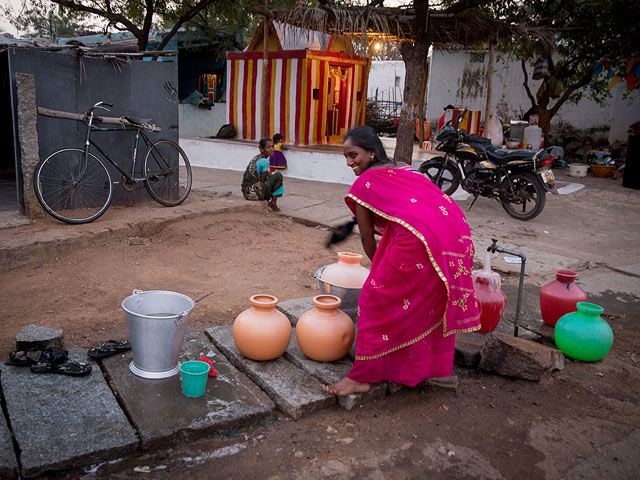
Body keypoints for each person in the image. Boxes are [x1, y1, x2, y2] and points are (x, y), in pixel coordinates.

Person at [322, 125, 480, 396]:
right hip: (450, 237)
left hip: (417, 242)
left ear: (371, 152)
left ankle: (362, 377)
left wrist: (379, 271)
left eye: (354, 155)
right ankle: (417, 370)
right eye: (346, 157)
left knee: (373, 299)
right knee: (422, 303)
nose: (350, 163)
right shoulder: (405, 167)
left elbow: (367, 239)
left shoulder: (365, 183)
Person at [241, 138, 284, 212]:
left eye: (272, 146)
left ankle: (273, 201)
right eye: (268, 147)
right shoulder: (265, 161)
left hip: (246, 191)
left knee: (272, 177)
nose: (271, 149)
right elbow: (262, 181)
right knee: (278, 176)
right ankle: (273, 203)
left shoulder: (256, 157)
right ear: (261, 149)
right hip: (253, 193)